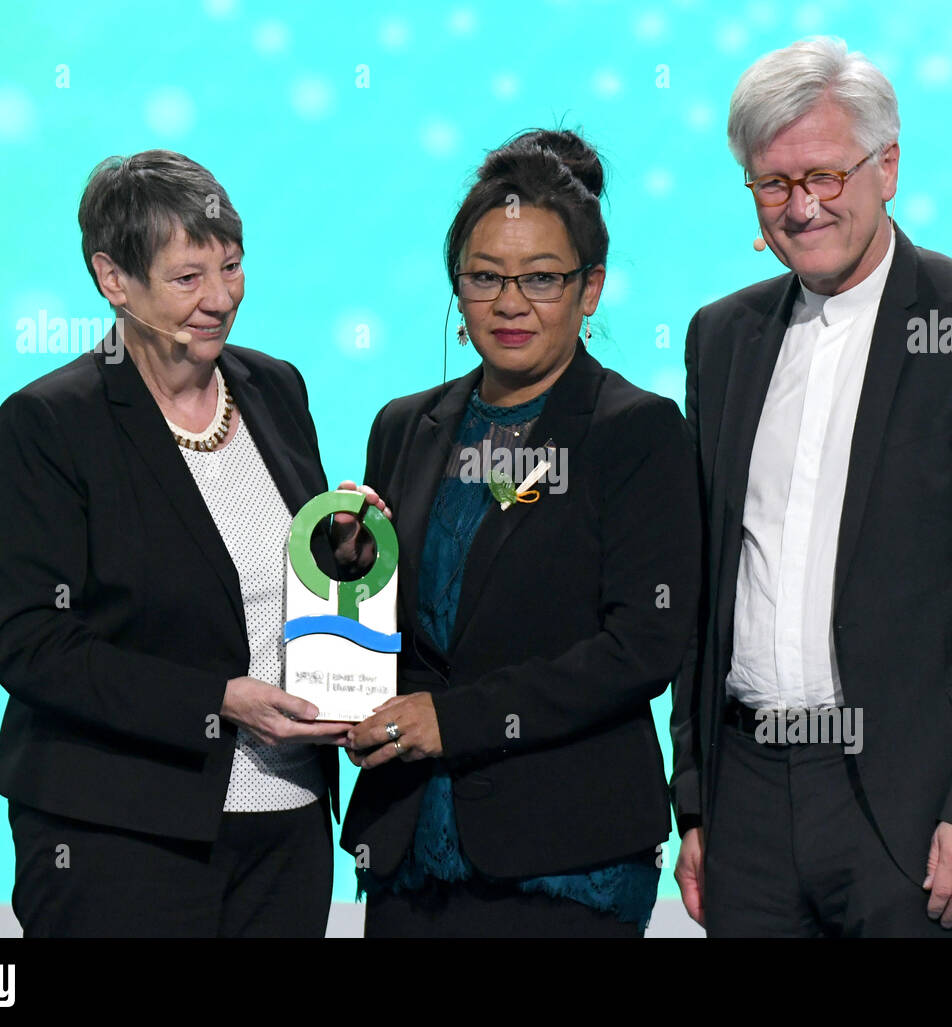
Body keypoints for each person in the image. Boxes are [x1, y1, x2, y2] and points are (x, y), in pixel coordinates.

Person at [670, 37, 952, 938]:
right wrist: (696, 802)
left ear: (886, 166)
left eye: (824, 175)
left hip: (916, 809)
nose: (802, 207)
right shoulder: (722, 336)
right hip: (748, 806)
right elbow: (711, 583)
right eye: (772, 184)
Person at [0, 149, 370, 937]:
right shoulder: (51, 424)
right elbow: (33, 643)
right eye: (189, 277)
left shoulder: (275, 387)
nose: (220, 299)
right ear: (113, 279)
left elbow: (278, 588)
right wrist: (215, 701)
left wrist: (348, 551)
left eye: (232, 267)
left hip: (287, 828)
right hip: (121, 836)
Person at [338, 129, 701, 937]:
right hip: (407, 855)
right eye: (485, 278)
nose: (510, 304)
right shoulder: (405, 426)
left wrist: (454, 721)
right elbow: (408, 628)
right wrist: (349, 571)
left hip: (564, 861)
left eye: (540, 279)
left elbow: (643, 643)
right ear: (456, 288)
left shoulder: (634, 432)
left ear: (591, 287)